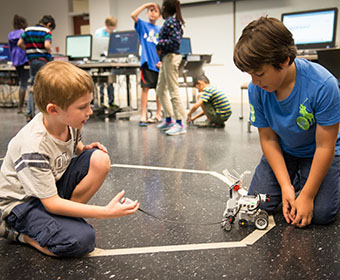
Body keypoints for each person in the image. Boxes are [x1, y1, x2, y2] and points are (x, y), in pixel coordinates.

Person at [0, 61, 139, 257]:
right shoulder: (34, 146)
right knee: (81, 241)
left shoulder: (70, 122)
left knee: (99, 159)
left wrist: (84, 149)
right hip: (22, 205)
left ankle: (61, 221)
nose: (89, 112)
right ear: (54, 110)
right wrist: (106, 211)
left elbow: (73, 146)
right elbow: (52, 203)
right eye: (82, 107)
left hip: (49, 191)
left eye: (89, 104)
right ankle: (18, 234)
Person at [233, 16, 340, 228]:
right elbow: (269, 138)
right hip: (285, 150)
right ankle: (296, 181)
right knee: (259, 204)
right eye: (250, 74)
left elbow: (324, 145)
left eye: (260, 73)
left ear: (284, 61)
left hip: (319, 153)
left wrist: (308, 195)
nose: (254, 82)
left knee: (320, 214)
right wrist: (285, 186)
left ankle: (311, 181)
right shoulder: (258, 89)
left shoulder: (324, 85)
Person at [156, 0, 186, 136]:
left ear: (164, 8)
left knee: (173, 90)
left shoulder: (171, 22)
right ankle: (169, 119)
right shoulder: (171, 21)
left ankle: (179, 123)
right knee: (160, 89)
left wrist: (159, 43)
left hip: (171, 57)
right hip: (166, 58)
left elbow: (175, 42)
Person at [18, 15, 56, 122]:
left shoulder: (28, 30)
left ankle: (30, 113)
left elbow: (19, 43)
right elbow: (47, 45)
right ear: (49, 25)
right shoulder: (46, 32)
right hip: (43, 61)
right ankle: (43, 113)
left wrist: (29, 49)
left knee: (32, 87)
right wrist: (50, 51)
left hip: (32, 61)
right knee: (44, 87)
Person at [131, 2, 163, 127]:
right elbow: (133, 15)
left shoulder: (160, 30)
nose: (152, 13)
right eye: (150, 11)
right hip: (146, 63)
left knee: (159, 91)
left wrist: (162, 61)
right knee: (145, 89)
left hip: (158, 64)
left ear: (159, 16)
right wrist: (146, 5)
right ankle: (143, 114)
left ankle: (158, 113)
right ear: (147, 13)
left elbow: (163, 47)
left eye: (155, 11)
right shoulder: (143, 25)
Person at [8, 15, 30, 114]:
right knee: (25, 83)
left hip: (16, 61)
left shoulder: (10, 34)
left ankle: (20, 107)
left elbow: (11, 49)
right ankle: (20, 108)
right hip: (24, 60)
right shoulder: (24, 33)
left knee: (22, 81)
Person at [95, 16, 117, 109]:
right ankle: (102, 102)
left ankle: (111, 102)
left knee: (110, 83)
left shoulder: (115, 34)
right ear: (106, 25)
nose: (111, 31)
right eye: (109, 29)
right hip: (101, 60)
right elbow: (97, 47)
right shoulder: (99, 33)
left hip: (111, 59)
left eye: (113, 29)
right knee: (101, 83)